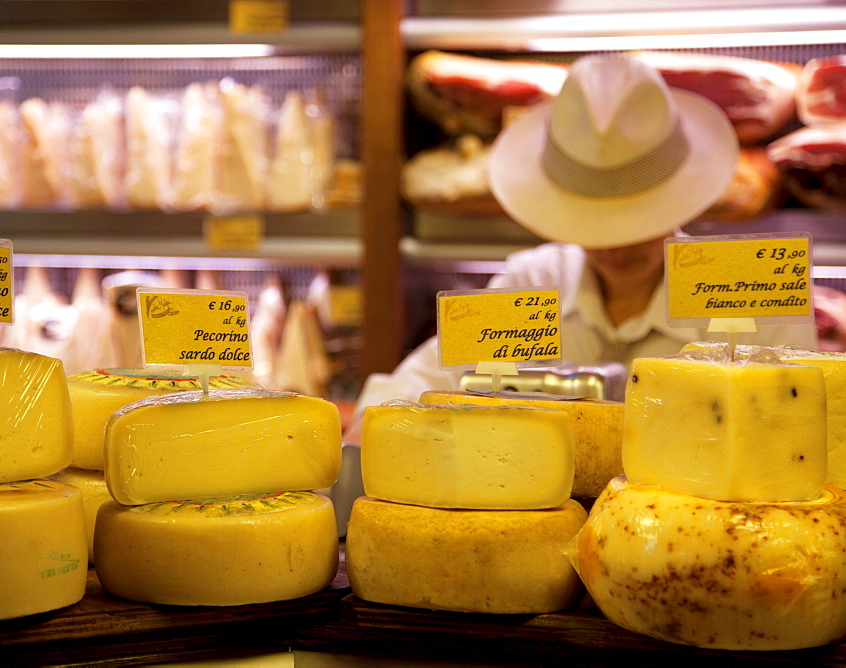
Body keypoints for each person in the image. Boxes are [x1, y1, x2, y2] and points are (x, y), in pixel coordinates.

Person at [346, 55, 818, 441]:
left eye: (637, 223)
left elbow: (810, 426)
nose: (614, 247)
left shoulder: (747, 290)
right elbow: (419, 383)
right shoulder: (531, 283)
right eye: (593, 227)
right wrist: (374, 427)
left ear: (684, 200)